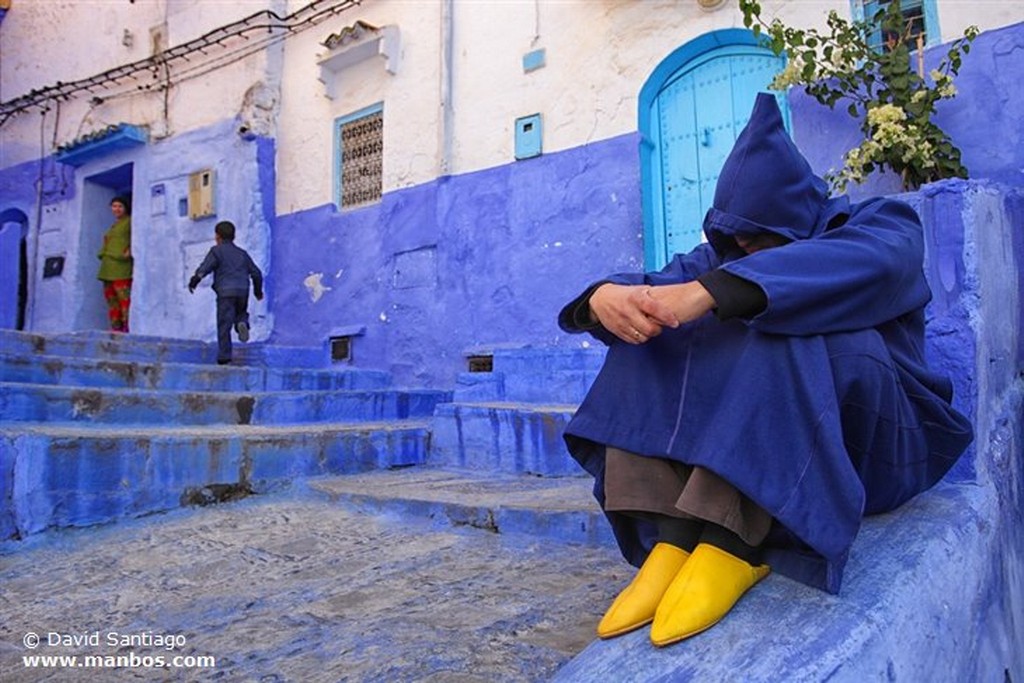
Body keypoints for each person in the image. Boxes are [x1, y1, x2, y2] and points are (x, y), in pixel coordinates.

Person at [558, 94, 973, 647]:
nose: (744, 250)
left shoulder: (877, 222)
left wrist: (714, 294)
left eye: (759, 236)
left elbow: (870, 263)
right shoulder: (723, 256)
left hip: (884, 447)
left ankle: (734, 543)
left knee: (787, 319)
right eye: (735, 239)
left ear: (799, 210)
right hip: (799, 451)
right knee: (648, 333)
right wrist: (604, 298)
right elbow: (652, 290)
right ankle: (675, 535)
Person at [188, 221, 264, 365]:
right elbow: (256, 273)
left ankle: (224, 356)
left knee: (224, 323)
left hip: (225, 291)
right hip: (243, 290)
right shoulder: (242, 254)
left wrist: (194, 280)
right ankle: (242, 323)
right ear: (234, 236)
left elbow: (205, 268)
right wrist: (258, 292)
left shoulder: (216, 251)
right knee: (241, 312)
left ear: (218, 236)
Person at [97, 196, 133, 332]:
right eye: (114, 206)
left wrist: (130, 250)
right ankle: (116, 329)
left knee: (124, 300)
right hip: (107, 268)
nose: (116, 209)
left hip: (121, 268)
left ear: (126, 208)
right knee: (112, 301)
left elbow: (136, 236)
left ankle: (126, 329)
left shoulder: (130, 222)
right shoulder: (114, 225)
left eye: (120, 206)